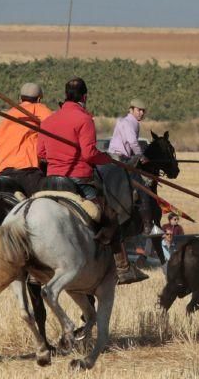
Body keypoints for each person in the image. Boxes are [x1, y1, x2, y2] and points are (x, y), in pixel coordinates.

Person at [37, 77, 147, 285]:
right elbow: (89, 154)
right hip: (78, 182)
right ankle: (123, 268)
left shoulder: (49, 120)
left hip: (50, 182)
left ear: (65, 95)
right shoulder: (84, 119)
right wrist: (106, 158)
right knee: (110, 217)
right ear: (85, 96)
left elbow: (41, 153)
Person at [108, 98, 161, 235]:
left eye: (143, 111)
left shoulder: (129, 122)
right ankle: (148, 226)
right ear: (131, 110)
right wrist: (141, 156)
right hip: (120, 158)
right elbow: (132, 142)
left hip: (119, 157)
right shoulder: (129, 122)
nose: (141, 113)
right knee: (143, 187)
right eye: (139, 110)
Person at [0, 82, 54, 195]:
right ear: (39, 99)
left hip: (2, 172)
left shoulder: (10, 114)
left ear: (20, 98)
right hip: (27, 172)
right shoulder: (40, 109)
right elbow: (54, 129)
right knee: (43, 202)